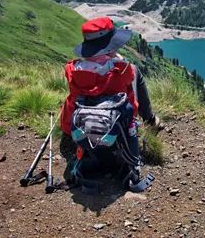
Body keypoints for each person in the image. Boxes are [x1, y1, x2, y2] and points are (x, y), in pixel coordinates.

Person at [59, 16, 160, 191]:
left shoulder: (73, 70)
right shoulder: (123, 69)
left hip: (80, 128)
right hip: (118, 127)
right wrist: (117, 60)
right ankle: (150, 119)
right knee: (137, 74)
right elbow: (127, 89)